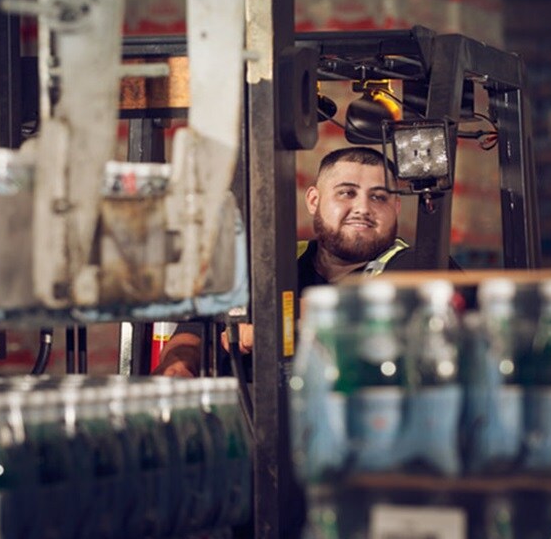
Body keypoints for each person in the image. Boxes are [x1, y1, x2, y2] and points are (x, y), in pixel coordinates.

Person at [157, 145, 459, 376]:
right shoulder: (271, 262)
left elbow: (383, 306)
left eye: (378, 197)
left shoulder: (421, 263)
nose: (362, 208)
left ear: (396, 207)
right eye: (346, 193)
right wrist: (179, 367)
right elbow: (196, 329)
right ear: (314, 200)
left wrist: (272, 319)